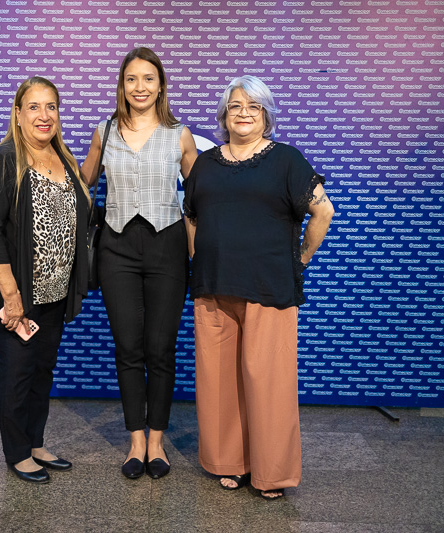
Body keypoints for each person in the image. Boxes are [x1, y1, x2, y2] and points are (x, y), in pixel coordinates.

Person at [183, 75, 334, 499]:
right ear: (223, 116)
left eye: (253, 106)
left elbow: (323, 212)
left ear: (266, 115)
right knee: (220, 383)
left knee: (268, 383)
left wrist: (299, 261)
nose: (243, 113)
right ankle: (231, 463)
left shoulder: (286, 160)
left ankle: (271, 474)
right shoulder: (206, 164)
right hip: (213, 288)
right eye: (235, 106)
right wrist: (201, 260)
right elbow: (190, 215)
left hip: (269, 287)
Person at [80, 47, 198, 479]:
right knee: (129, 348)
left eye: (149, 79)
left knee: (160, 349)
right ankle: (135, 442)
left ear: (161, 85)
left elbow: (203, 194)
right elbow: (84, 180)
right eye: (132, 79)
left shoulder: (179, 135)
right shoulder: (104, 131)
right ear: (122, 86)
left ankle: (157, 442)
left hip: (167, 247)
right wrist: (34, 154)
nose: (140, 87)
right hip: (117, 249)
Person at [0, 76, 90, 484]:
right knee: (18, 371)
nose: (45, 115)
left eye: (52, 107)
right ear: (19, 115)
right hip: (18, 294)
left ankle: (36, 442)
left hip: (55, 293)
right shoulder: (5, 160)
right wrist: (11, 295)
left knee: (42, 371)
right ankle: (17, 452)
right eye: (35, 107)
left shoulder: (65, 160)